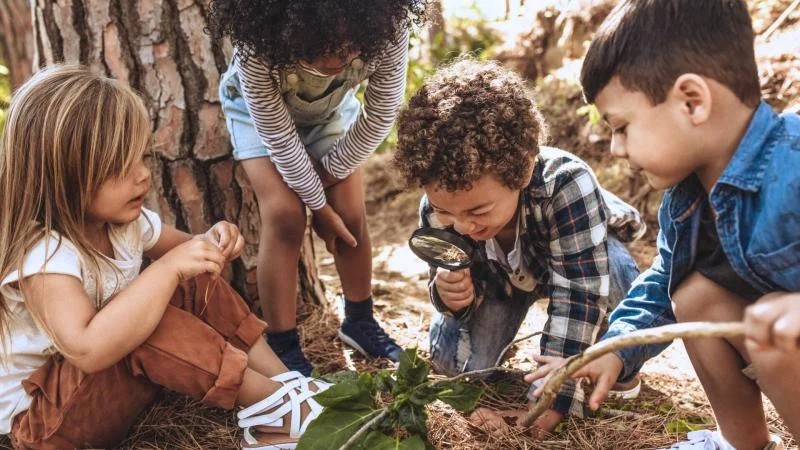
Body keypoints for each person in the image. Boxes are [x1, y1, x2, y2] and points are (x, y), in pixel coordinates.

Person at [0, 65, 329, 449]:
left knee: (190, 282)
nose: (143, 176)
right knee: (144, 322)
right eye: (120, 167)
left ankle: (286, 385)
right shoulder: (44, 256)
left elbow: (189, 252)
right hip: (42, 426)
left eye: (143, 158)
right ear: (62, 176)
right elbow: (88, 349)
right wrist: (168, 270)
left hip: (96, 394)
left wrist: (211, 241)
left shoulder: (124, 224)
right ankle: (277, 407)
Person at [528, 1, 799, 448]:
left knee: (774, 324)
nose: (615, 148)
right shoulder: (685, 202)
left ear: (691, 101)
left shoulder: (793, 163)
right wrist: (614, 351)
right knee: (693, 294)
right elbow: (660, 286)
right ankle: (742, 443)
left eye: (622, 127)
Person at [392, 58, 646, 437]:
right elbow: (443, 274)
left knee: (619, 274)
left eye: (478, 209)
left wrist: (553, 394)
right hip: (500, 283)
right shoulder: (439, 208)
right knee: (453, 364)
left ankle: (614, 357)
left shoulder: (566, 184)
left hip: (576, 260)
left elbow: (578, 292)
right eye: (447, 212)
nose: (463, 225)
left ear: (524, 169)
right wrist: (452, 297)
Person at [206, 0, 429, 374]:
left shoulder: (388, 28)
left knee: (350, 213)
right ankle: (283, 343)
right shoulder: (256, 49)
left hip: (330, 114)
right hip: (257, 118)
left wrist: (327, 180)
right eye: (319, 48)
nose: (335, 62)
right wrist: (317, 208)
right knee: (286, 214)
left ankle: (360, 321)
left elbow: (381, 114)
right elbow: (278, 137)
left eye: (347, 48)